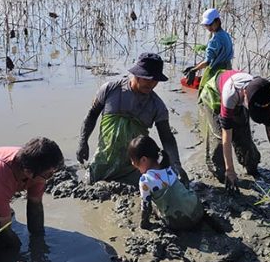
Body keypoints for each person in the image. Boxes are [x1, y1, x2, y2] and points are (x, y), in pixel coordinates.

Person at [77, 52, 187, 185]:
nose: (151, 84)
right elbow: (91, 115)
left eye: (155, 80)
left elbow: (167, 138)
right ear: (137, 74)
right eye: (147, 79)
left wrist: (176, 165)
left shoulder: (157, 106)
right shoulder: (110, 90)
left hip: (133, 166)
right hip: (103, 160)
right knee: (88, 186)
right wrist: (83, 142)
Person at [199, 69, 270, 190]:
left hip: (240, 101)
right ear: (245, 94)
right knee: (219, 140)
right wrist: (230, 170)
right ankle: (220, 175)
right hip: (214, 95)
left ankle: (251, 167)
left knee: (244, 139)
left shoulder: (263, 95)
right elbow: (227, 135)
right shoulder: (230, 94)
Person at [129, 135, 203, 231]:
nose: (132, 163)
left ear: (143, 160)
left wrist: (144, 224)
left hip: (178, 223)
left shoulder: (145, 180)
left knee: (154, 206)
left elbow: (146, 206)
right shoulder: (169, 167)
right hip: (197, 210)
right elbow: (185, 181)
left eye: (133, 161)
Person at [183, 8, 233, 100]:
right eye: (206, 25)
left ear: (217, 21)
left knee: (204, 96)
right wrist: (195, 67)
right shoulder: (226, 35)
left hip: (216, 72)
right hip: (228, 70)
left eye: (210, 24)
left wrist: (194, 70)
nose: (209, 28)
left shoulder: (214, 40)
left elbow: (207, 62)